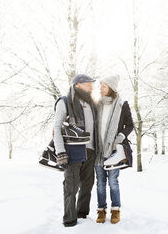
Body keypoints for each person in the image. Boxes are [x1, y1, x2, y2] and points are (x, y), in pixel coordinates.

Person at [54, 74, 98, 227]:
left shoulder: (91, 103)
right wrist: (60, 152)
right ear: (78, 85)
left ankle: (82, 214)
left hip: (90, 151)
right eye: (89, 84)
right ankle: (70, 219)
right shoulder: (64, 101)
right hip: (72, 150)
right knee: (71, 187)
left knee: (88, 184)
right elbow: (57, 127)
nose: (92, 87)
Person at [95, 74, 134, 224]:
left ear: (111, 88)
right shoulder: (97, 104)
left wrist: (121, 136)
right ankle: (101, 210)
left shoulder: (122, 105)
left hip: (112, 151)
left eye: (103, 86)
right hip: (98, 150)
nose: (100, 89)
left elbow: (130, 125)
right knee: (100, 183)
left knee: (113, 181)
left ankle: (116, 210)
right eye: (100, 86)